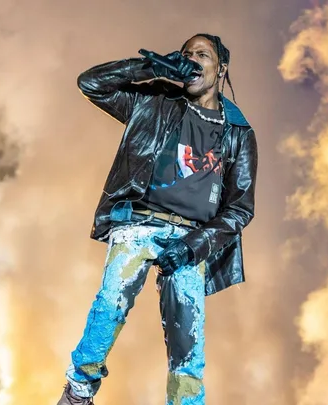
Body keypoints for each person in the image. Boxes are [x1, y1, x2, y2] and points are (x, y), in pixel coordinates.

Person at [56, 33, 258, 405]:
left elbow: (240, 208)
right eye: (186, 54)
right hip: (139, 224)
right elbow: (91, 84)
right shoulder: (154, 101)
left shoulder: (239, 134)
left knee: (188, 343)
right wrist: (151, 67)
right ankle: (79, 391)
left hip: (190, 241)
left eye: (202, 55)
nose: (192, 60)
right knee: (111, 301)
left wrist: (193, 247)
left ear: (221, 69)